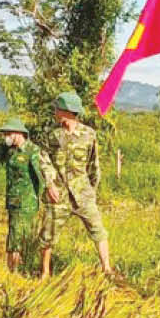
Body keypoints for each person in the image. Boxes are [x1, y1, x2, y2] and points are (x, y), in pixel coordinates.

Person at [37, 91, 112, 277]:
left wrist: (91, 191)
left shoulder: (89, 134)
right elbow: (43, 159)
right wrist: (49, 184)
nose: (55, 112)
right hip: (58, 194)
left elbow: (94, 164)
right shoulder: (51, 135)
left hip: (83, 194)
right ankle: (45, 273)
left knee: (98, 230)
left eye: (57, 109)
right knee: (48, 235)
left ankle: (107, 269)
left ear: (66, 111)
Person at [0, 117, 50, 273]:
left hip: (26, 203)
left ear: (18, 134)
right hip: (13, 202)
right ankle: (20, 268)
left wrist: (49, 190)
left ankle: (13, 271)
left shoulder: (32, 151)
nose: (5, 137)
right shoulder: (11, 151)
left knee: (16, 238)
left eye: (8, 133)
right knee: (17, 236)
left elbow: (43, 174)